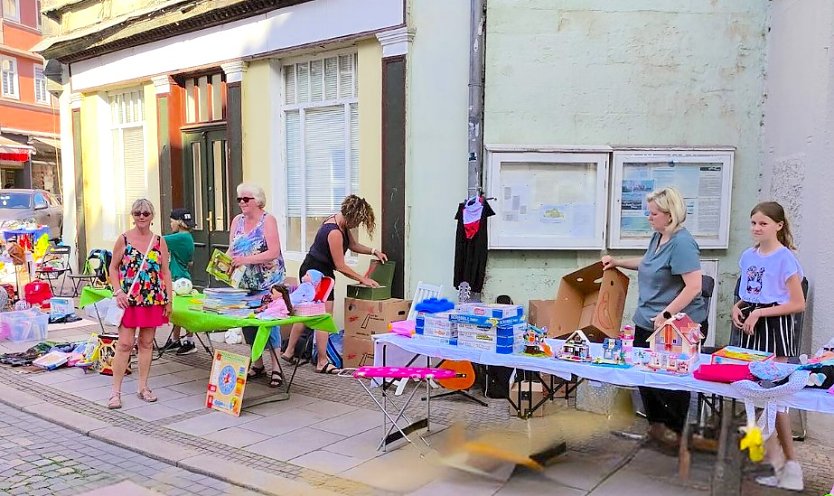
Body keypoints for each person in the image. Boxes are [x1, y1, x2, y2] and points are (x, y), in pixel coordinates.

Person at [602, 187, 706, 450]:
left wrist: (667, 314)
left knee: (670, 384)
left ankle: (675, 435)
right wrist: (618, 262)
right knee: (645, 379)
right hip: (647, 320)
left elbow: (694, 286)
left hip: (672, 327)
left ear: (670, 214)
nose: (649, 218)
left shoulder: (682, 243)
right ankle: (657, 430)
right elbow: (648, 263)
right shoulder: (658, 237)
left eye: (654, 213)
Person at [733, 201, 805, 491]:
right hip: (751, 328)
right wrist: (738, 307)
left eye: (763, 223)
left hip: (774, 329)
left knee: (775, 399)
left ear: (778, 225)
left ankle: (792, 465)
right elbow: (751, 292)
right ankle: (776, 465)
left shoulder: (785, 258)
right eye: (753, 223)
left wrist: (761, 312)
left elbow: (798, 303)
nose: (757, 228)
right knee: (754, 397)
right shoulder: (747, 256)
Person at [282, 195, 387, 374]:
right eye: (358, 221)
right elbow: (340, 266)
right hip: (317, 273)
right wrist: (363, 279)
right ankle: (322, 361)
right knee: (324, 316)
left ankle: (289, 352)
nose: (357, 225)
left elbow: (353, 245)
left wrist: (373, 251)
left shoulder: (340, 221)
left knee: (307, 312)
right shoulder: (334, 233)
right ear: (351, 216)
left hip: (315, 269)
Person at [107, 199, 174, 409]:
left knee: (146, 343)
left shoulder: (159, 241)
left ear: (152, 216)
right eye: (137, 213)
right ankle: (115, 392)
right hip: (130, 300)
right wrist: (118, 291)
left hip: (152, 299)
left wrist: (169, 299)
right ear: (133, 215)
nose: (142, 217)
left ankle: (143, 387)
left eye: (145, 213)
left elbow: (165, 272)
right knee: (125, 343)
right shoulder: (124, 239)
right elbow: (113, 268)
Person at [229, 183, 286, 387]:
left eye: (246, 199)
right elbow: (232, 250)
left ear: (258, 201)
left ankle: (277, 368)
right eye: (239, 199)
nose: (242, 203)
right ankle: (258, 364)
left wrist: (245, 260)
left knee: (269, 323)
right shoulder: (237, 221)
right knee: (249, 323)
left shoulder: (267, 220)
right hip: (245, 281)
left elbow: (273, 252)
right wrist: (223, 263)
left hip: (268, 281)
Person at [162, 208, 197, 355]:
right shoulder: (186, 237)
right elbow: (190, 262)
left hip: (180, 279)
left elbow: (158, 240)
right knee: (177, 311)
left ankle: (190, 341)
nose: (170, 224)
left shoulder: (180, 237)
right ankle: (175, 339)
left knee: (184, 312)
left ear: (179, 222)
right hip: (181, 276)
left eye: (172, 221)